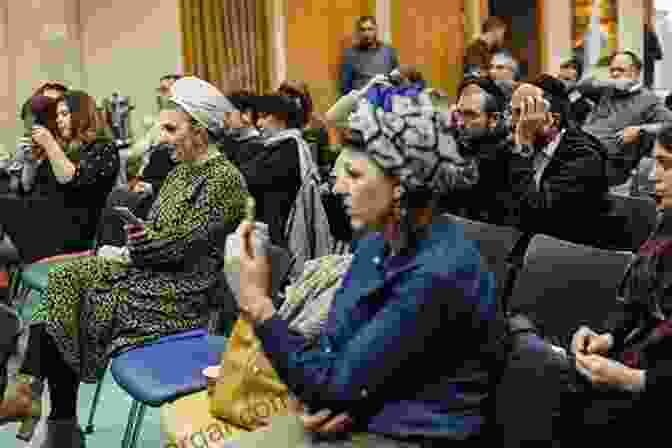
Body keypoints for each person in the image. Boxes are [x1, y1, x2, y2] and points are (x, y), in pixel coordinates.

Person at [233, 88, 506, 446]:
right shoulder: (376, 242)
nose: (338, 186)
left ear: (399, 186)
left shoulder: (437, 271)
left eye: (355, 175)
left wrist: (258, 303)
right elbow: (339, 348)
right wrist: (347, 401)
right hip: (375, 408)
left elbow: (328, 383)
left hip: (419, 433)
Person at [0, 77, 249, 447]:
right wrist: (138, 240)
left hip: (181, 296)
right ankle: (43, 405)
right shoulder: (181, 172)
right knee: (66, 281)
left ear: (199, 131)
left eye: (170, 128)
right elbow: (163, 238)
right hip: (151, 272)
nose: (162, 138)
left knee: (72, 303)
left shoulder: (223, 179)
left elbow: (180, 247)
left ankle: (47, 410)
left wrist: (138, 242)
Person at [560, 124, 672, 444]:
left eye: (666, 165)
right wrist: (608, 337)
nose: (653, 177)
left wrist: (633, 380)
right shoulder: (667, 225)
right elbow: (641, 304)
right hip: (641, 368)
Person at [509, 75, 612, 248]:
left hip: (566, 256)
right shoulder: (515, 144)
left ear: (553, 121)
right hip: (524, 246)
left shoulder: (585, 158)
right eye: (510, 112)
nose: (513, 123)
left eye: (523, 113)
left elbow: (533, 215)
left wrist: (524, 147)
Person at [579, 51, 672, 186]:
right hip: (580, 151)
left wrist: (640, 129)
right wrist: (610, 83)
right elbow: (581, 86)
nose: (615, 74)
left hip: (607, 164)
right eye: (612, 70)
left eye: (621, 70)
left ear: (636, 73)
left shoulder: (648, 99)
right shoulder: (606, 91)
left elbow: (669, 124)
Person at [450, 77, 519, 226]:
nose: (461, 123)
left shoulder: (504, 152)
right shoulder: (463, 143)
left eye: (470, 115)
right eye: (459, 114)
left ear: (493, 119)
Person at [341, 16, 399, 95]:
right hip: (362, 101)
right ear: (358, 32)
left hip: (385, 99)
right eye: (363, 30)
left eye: (370, 29)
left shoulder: (388, 51)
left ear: (376, 30)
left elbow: (396, 78)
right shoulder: (351, 54)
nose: (366, 33)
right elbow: (345, 87)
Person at [557, 58, 593, 126]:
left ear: (576, 82)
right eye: (559, 78)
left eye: (566, 79)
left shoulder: (584, 106)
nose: (561, 82)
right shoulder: (552, 98)